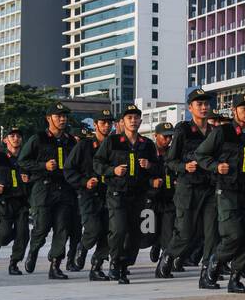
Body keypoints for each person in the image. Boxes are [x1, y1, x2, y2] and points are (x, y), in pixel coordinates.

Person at [194, 94, 245, 293]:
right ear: (234, 110)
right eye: (244, 108)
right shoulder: (222, 132)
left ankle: (236, 278)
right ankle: (214, 263)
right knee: (234, 235)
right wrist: (216, 166)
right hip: (227, 191)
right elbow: (201, 155)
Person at [94, 104, 161, 283]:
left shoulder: (146, 144)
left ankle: (125, 263)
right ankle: (115, 262)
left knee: (135, 234)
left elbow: (159, 168)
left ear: (140, 121)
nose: (133, 121)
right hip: (117, 193)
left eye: (136, 118)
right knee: (118, 229)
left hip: (138, 195)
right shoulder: (113, 142)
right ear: (122, 122)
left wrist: (150, 166)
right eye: (129, 118)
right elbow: (97, 163)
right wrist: (112, 170)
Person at [159, 88, 219, 286]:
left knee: (211, 233)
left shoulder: (214, 132)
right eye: (199, 104)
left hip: (209, 188)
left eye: (206, 104)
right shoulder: (183, 130)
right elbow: (170, 161)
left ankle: (207, 274)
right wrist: (185, 166)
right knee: (185, 233)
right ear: (190, 107)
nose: (204, 107)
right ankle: (167, 259)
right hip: (188, 188)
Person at [20, 102, 80, 279]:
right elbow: (23, 161)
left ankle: (55, 265)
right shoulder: (38, 138)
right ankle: (33, 250)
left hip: (65, 190)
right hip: (43, 188)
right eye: (58, 116)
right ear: (49, 118)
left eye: (64, 116)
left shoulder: (70, 141)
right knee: (42, 227)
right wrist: (43, 166)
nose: (62, 119)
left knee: (62, 228)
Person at [66, 109, 113, 278]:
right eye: (103, 123)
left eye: (109, 123)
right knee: (93, 229)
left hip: (109, 194)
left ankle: (97, 266)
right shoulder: (84, 145)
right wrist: (84, 182)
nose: (106, 126)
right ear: (96, 125)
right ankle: (82, 247)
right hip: (88, 194)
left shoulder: (115, 145)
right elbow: (69, 169)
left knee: (109, 231)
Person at [0, 126, 30, 274]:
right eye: (12, 136)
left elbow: (35, 178)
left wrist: (29, 180)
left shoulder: (26, 159)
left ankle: (14, 263)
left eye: (18, 136)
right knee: (5, 234)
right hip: (5, 203)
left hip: (22, 203)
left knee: (23, 234)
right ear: (6, 139)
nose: (16, 138)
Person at [149, 123, 176, 266]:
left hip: (169, 197)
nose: (168, 139)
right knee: (150, 231)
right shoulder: (148, 151)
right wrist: (150, 182)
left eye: (170, 136)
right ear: (156, 136)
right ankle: (156, 243)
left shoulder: (173, 153)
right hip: (151, 197)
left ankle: (164, 263)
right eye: (165, 136)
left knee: (168, 231)